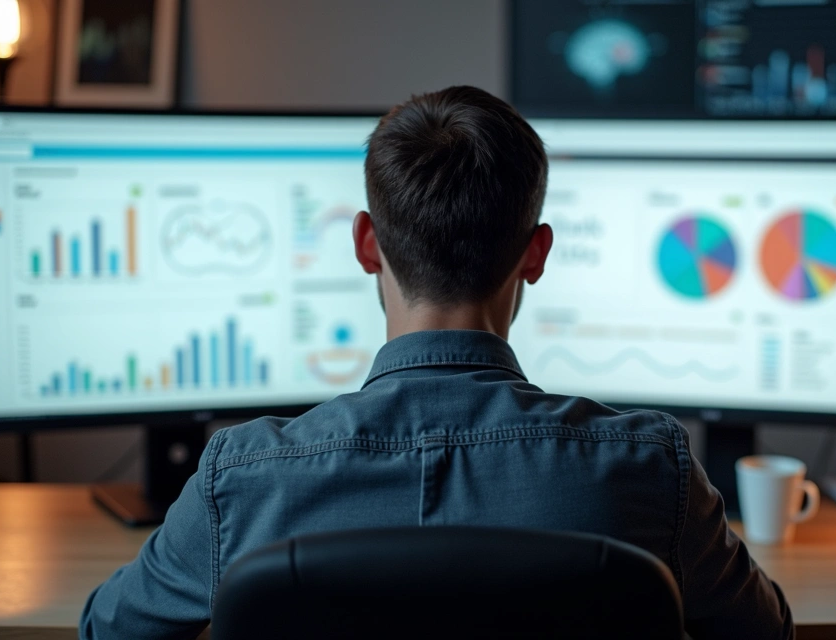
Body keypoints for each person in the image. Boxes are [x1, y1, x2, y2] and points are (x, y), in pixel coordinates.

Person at [80, 85, 794, 639]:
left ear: (366, 245)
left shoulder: (242, 480)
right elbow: (768, 634)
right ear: (536, 254)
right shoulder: (651, 470)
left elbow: (105, 631)